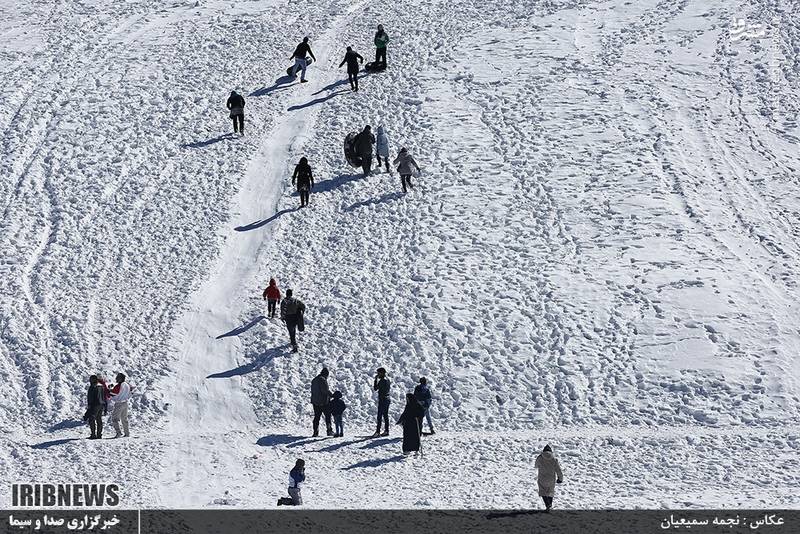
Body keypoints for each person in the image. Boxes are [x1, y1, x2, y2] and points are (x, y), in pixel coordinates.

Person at [535, 445, 564, 512]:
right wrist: (560, 478)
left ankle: (547, 505)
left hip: (542, 478)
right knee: (550, 492)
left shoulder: (540, 458)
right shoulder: (554, 459)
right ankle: (550, 505)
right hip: (551, 479)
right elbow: (558, 470)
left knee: (543, 491)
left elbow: (536, 465)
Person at [280, 289, 306, 353]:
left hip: (288, 318)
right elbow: (303, 306)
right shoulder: (295, 300)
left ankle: (294, 346)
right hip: (295, 317)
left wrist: (283, 317)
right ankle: (292, 342)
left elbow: (283, 310)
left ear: (286, 294)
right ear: (291, 294)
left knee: (291, 331)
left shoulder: (284, 301)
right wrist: (301, 312)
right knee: (293, 330)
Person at [310, 368, 333, 437]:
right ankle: (329, 431)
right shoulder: (322, 380)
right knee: (328, 416)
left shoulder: (314, 380)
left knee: (317, 417)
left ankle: (315, 431)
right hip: (324, 402)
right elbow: (325, 390)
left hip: (315, 401)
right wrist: (332, 395)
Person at [110, 373, 132, 438]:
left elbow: (112, 394)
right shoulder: (127, 385)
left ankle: (118, 433)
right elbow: (131, 391)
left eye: (117, 377)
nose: (116, 378)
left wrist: (110, 390)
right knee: (124, 419)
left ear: (120, 378)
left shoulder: (118, 386)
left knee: (115, 419)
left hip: (119, 403)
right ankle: (127, 433)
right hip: (125, 403)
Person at [84, 375, 105, 439]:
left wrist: (89, 406)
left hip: (94, 405)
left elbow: (90, 397)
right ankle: (99, 434)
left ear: (93, 380)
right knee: (99, 420)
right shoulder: (101, 386)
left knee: (91, 419)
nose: (90, 380)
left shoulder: (92, 387)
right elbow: (103, 395)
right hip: (101, 404)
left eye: (91, 379)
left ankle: (93, 434)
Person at [371, 367, 390, 437]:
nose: (378, 374)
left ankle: (378, 431)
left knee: (379, 416)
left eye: (378, 373)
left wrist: (375, 380)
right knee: (385, 415)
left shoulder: (382, 381)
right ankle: (386, 430)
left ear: (381, 373)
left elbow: (375, 388)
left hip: (383, 399)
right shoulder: (388, 380)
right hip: (387, 398)